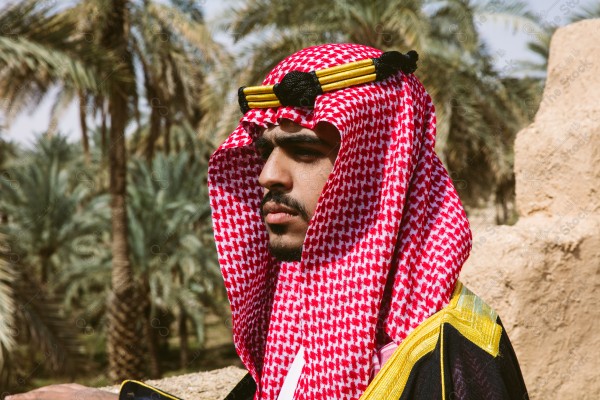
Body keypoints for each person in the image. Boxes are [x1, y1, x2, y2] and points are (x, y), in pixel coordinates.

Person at [7, 43, 528, 400]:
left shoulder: (451, 358)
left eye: (303, 152)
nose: (267, 176)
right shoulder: (299, 318)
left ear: (378, 171)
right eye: (264, 151)